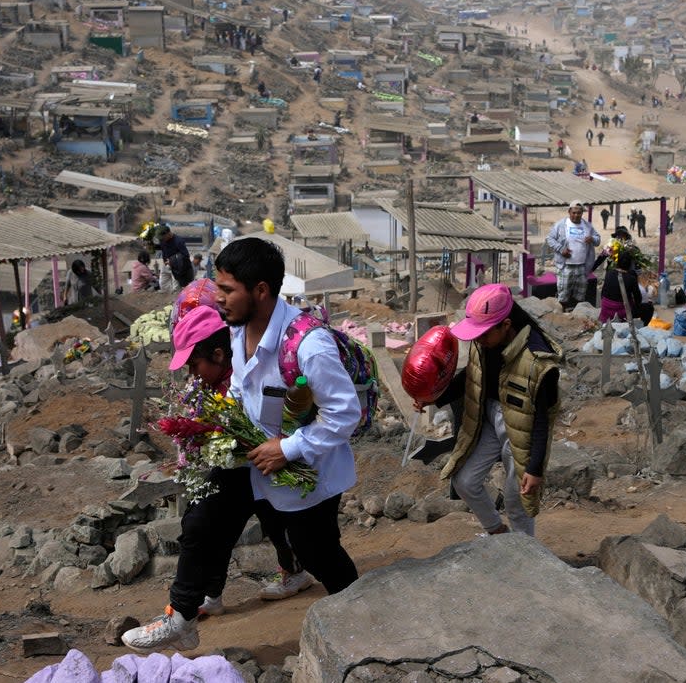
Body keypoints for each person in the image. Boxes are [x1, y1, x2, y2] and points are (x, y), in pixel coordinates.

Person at [122, 237, 359, 651]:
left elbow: (343, 415)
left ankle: (367, 616)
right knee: (202, 520)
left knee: (319, 554)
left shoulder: (308, 344)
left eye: (228, 289)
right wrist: (223, 423)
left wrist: (286, 449)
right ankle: (181, 617)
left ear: (261, 291)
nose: (218, 298)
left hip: (305, 472)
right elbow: (240, 387)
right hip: (252, 459)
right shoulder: (237, 330)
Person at [166, 305, 314, 618]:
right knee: (220, 526)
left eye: (194, 366)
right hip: (241, 467)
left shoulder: (247, 371)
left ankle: (294, 572)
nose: (193, 375)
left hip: (264, 464)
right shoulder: (217, 380)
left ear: (218, 355)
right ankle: (212, 593)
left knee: (271, 521)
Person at [415, 284, 563, 536]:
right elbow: (469, 378)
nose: (477, 339)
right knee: (464, 481)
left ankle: (526, 556)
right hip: (488, 420)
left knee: (517, 502)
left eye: (483, 334)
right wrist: (434, 398)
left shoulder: (538, 363)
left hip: (521, 428)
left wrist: (535, 468)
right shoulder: (484, 343)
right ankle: (497, 532)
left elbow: (540, 420)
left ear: (505, 325)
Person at [546, 200, 601, 311]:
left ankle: (577, 315)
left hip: (582, 267)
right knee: (563, 294)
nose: (576, 215)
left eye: (579, 213)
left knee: (580, 295)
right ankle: (562, 315)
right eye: (574, 212)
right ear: (569, 212)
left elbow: (598, 239)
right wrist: (561, 249)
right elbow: (549, 239)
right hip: (565, 266)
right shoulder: (561, 225)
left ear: (582, 213)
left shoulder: (587, 226)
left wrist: (592, 239)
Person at [598, 246, 654, 325]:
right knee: (649, 308)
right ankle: (643, 328)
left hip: (606, 309)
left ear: (617, 262)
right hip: (621, 312)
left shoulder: (609, 273)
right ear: (630, 265)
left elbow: (602, 294)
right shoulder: (631, 278)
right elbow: (638, 300)